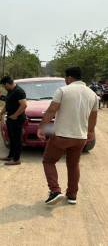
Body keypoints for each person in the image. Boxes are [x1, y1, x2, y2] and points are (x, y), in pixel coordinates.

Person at [38, 67, 98, 205]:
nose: (65, 80)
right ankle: (72, 196)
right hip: (80, 138)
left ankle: (55, 191)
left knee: (48, 161)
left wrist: (42, 128)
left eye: (66, 78)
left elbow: (51, 111)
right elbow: (93, 117)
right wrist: (90, 132)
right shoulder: (92, 94)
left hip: (61, 136)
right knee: (73, 165)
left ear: (70, 78)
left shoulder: (63, 90)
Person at [0, 76, 27, 166]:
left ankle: (16, 159)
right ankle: (10, 156)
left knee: (17, 139)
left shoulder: (19, 91)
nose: (4, 87)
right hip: (10, 118)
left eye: (3, 86)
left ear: (7, 84)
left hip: (17, 119)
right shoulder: (10, 91)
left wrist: (15, 115)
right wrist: (1, 113)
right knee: (11, 138)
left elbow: (24, 105)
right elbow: (7, 104)